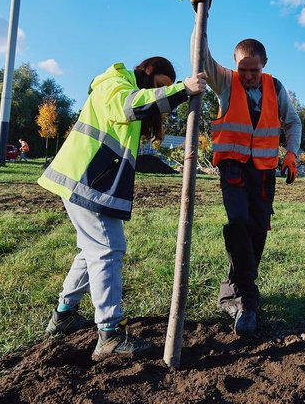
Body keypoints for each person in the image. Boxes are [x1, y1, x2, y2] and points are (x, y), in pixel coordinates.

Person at [39, 57, 206, 360]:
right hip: (85, 181)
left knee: (91, 250)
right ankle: (109, 335)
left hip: (87, 180)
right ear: (148, 71)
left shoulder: (124, 85)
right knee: (108, 249)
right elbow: (128, 106)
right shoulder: (115, 84)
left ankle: (63, 314)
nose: (160, 92)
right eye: (159, 86)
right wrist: (183, 90)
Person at [191, 0, 302, 337]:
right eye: (243, 68)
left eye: (254, 69)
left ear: (264, 64)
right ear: (236, 63)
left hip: (265, 173)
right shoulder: (225, 81)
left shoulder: (275, 86)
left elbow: (292, 121)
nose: (249, 75)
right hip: (234, 169)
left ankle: (233, 288)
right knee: (238, 223)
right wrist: (200, 15)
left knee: (257, 233)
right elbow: (202, 56)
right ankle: (248, 300)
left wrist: (292, 155)